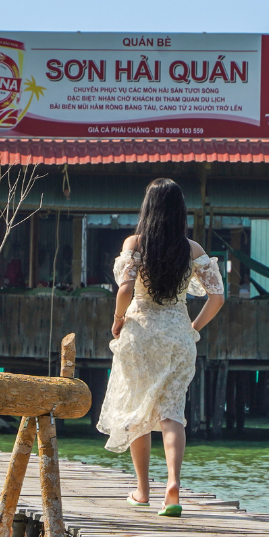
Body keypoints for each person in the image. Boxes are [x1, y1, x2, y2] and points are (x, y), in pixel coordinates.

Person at [96, 178, 224, 517]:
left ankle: (142, 490)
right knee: (172, 413)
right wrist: (193, 328)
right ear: (180, 211)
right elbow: (218, 296)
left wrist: (117, 319)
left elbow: (125, 289)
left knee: (139, 412)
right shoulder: (192, 249)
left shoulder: (135, 243)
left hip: (141, 333)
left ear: (148, 208)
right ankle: (173, 487)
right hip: (177, 335)